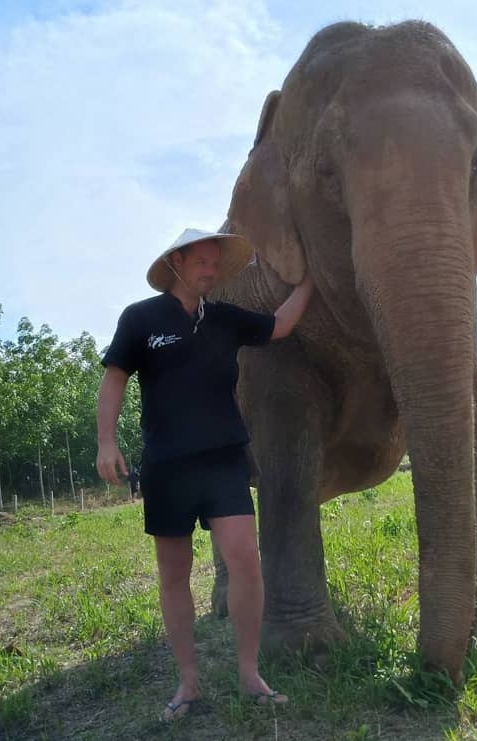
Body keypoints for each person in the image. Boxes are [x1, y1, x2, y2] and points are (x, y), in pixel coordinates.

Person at [96, 228, 313, 721]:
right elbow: (113, 380)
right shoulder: (140, 319)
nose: (211, 271)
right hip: (167, 466)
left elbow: (278, 327)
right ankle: (188, 682)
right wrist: (106, 441)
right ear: (177, 262)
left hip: (223, 461)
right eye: (202, 263)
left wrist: (310, 285)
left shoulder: (225, 319)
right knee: (175, 574)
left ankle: (249, 673)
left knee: (245, 562)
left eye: (216, 264)